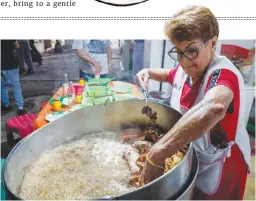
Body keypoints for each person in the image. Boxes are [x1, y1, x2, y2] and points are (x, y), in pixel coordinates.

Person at [135, 6, 251, 200]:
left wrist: (158, 152)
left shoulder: (223, 74)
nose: (184, 61)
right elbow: (168, 75)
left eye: (191, 51)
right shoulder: (186, 70)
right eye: (178, 52)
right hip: (195, 158)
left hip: (223, 167)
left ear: (212, 44)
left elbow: (214, 107)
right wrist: (148, 72)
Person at [1, 40, 27, 115]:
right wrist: (22, 64)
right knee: (16, 86)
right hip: (12, 64)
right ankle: (20, 108)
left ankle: (7, 105)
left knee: (2, 87)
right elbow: (17, 47)